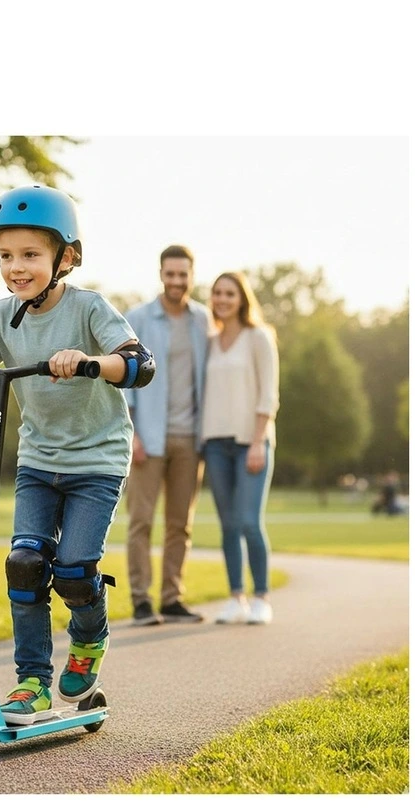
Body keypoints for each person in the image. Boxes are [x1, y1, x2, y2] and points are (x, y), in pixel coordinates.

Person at [0, 184, 155, 726]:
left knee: (74, 572)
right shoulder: (2, 315)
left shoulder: (89, 308)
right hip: (37, 462)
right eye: (6, 256)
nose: (16, 267)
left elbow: (139, 364)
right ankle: (32, 682)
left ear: (65, 257)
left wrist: (91, 361)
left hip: (97, 463)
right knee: (25, 565)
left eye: (30, 254)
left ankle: (89, 638)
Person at [124, 245, 211, 626]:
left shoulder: (203, 321)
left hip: (191, 439)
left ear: (191, 277)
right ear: (161, 274)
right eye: (170, 274)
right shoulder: (138, 319)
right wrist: (133, 435)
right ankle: (142, 601)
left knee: (181, 525)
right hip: (148, 438)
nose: (177, 281)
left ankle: (172, 598)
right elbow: (122, 382)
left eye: (183, 275)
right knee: (140, 521)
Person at [201, 271, 279, 625]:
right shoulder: (211, 341)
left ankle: (261, 597)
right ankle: (236, 598)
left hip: (252, 442)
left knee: (249, 522)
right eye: (217, 293)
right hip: (215, 444)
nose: (223, 299)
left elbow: (268, 393)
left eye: (230, 293)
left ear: (242, 298)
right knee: (228, 524)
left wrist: (259, 440)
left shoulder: (258, 337)